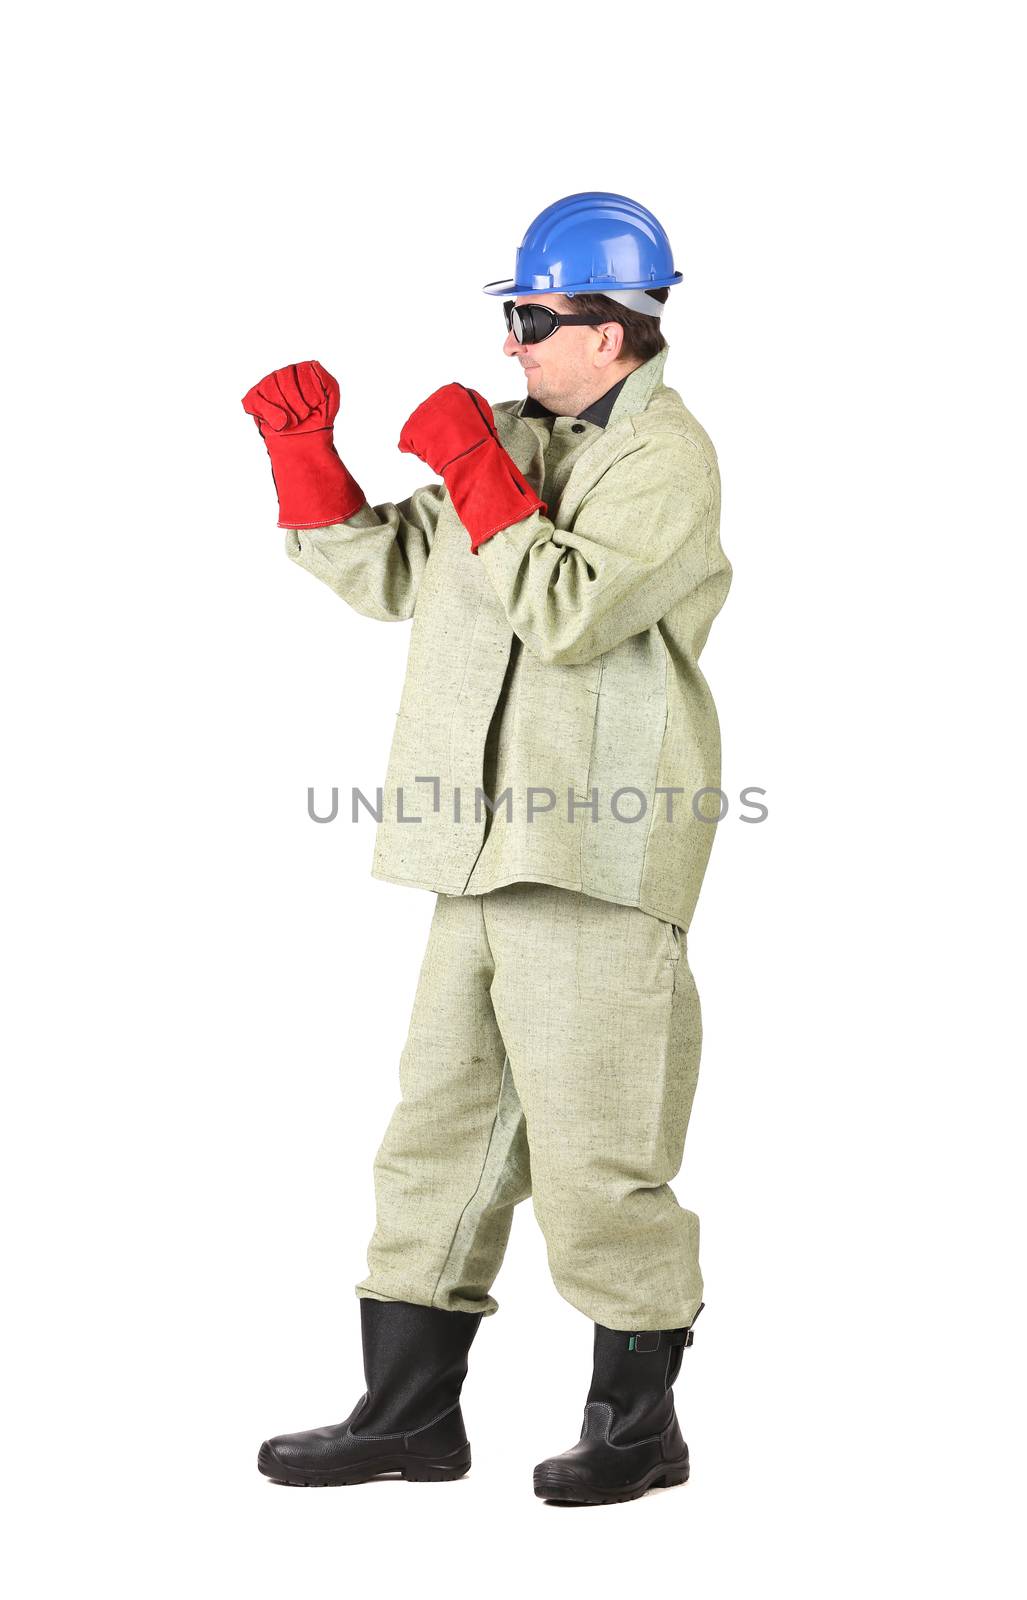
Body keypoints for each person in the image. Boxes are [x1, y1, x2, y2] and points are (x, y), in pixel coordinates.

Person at [241, 191, 732, 1505]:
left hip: (588, 854)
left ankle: (639, 1429)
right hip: (471, 846)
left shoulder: (664, 461)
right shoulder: (513, 442)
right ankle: (408, 1416)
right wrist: (309, 462)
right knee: (439, 1130)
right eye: (512, 318)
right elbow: (395, 576)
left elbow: (567, 610)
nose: (511, 343)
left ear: (611, 334)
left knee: (598, 1146)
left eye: (531, 318)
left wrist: (474, 467)